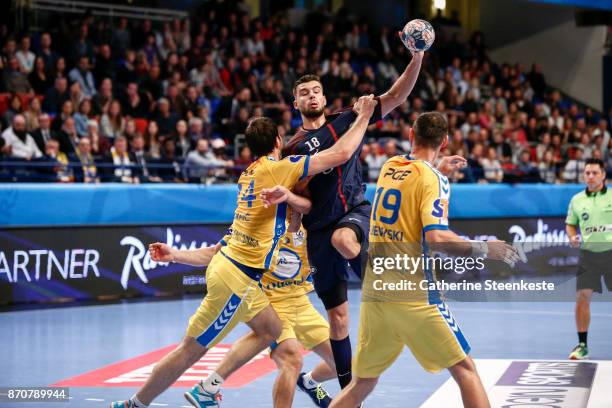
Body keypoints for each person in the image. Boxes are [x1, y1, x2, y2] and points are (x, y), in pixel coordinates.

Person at [109, 95, 378, 408]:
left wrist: (176, 255)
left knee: (273, 331)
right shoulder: (280, 168)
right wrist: (364, 117)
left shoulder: (248, 176)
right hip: (236, 280)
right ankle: (136, 404)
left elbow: (224, 246)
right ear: (279, 141)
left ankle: (208, 388)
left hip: (237, 271)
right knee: (191, 350)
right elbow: (341, 153)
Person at [282, 51, 461, 388]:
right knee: (337, 320)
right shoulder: (294, 149)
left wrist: (418, 56)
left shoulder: (347, 117)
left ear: (324, 96)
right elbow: (302, 200)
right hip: (317, 230)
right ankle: (349, 391)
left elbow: (397, 95)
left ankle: (393, 286)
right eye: (304, 93)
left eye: (316, 91)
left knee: (344, 240)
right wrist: (292, 224)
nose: (311, 96)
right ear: (295, 104)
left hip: (355, 213)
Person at [328, 112, 519, 408]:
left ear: (410, 136)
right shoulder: (434, 181)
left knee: (362, 382)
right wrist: (485, 249)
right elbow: (437, 239)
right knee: (465, 370)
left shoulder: (391, 166)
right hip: (413, 293)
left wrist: (438, 170)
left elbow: (413, 179)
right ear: (444, 142)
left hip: (376, 291)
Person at [150, 224, 337, 408]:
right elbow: (216, 252)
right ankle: (208, 387)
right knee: (291, 360)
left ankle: (308, 382)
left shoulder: (321, 218)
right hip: (270, 301)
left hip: (300, 301)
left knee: (343, 363)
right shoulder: (263, 217)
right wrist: (175, 255)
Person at [565, 158, 612, 360]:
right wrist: (572, 236)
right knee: (582, 299)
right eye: (587, 173)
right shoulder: (577, 200)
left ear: (603, 175)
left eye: (594, 172)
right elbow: (570, 224)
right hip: (589, 255)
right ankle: (582, 345)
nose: (590, 176)